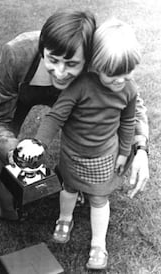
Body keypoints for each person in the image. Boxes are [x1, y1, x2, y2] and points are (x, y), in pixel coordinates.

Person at [0, 10, 149, 221]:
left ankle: (77, 180)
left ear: (89, 60)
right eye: (53, 60)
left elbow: (132, 107)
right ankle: (8, 210)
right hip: (21, 95)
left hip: (75, 98)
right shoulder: (16, 54)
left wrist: (141, 149)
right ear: (42, 50)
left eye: (72, 64)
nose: (59, 71)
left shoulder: (98, 57)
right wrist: (14, 153)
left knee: (122, 134)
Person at [35, 18, 142, 270]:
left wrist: (125, 152)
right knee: (69, 189)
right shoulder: (79, 86)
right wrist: (38, 143)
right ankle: (64, 218)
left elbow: (128, 121)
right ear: (96, 65)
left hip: (105, 156)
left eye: (127, 74)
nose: (120, 81)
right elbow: (55, 116)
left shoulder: (129, 90)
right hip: (73, 155)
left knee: (99, 199)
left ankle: (98, 244)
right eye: (112, 75)